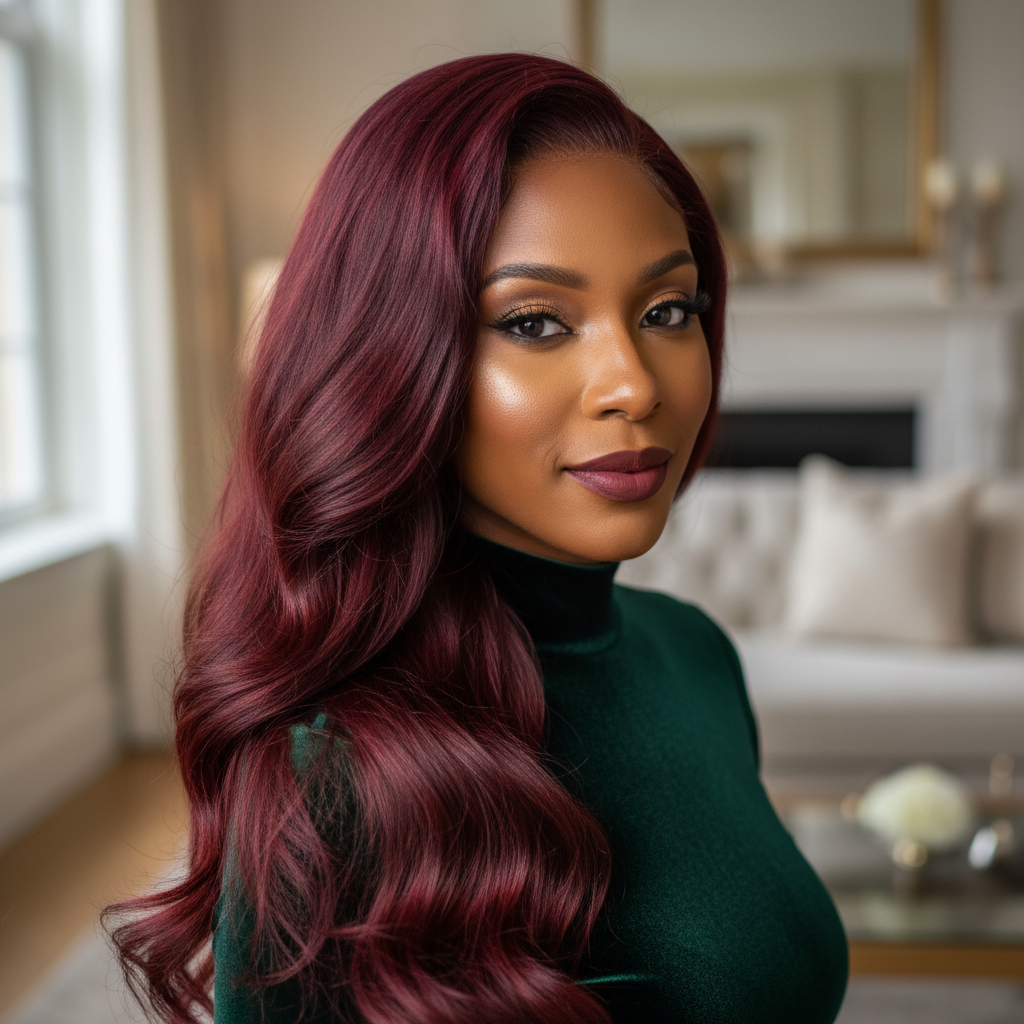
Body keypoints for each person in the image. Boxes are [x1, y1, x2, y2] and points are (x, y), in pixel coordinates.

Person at [107, 53, 848, 1024]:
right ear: (395, 360)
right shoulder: (332, 769)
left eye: (668, 310)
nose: (635, 382)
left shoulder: (694, 653)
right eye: (536, 321)